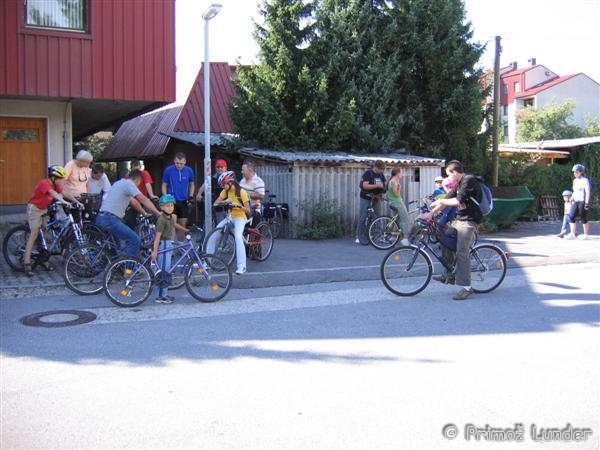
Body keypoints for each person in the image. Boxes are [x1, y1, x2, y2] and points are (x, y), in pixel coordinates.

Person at [426, 160, 483, 301]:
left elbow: (457, 201)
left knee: (462, 251)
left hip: (469, 221)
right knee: (443, 238)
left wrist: (441, 201)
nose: (448, 178)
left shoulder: (468, 180)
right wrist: (431, 214)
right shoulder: (459, 183)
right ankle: (449, 274)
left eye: (449, 174)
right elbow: (447, 199)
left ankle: (467, 288)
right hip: (459, 220)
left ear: (455, 172)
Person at [96, 169, 161, 258]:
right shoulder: (129, 184)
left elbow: (134, 202)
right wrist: (157, 213)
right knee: (134, 239)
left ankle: (114, 265)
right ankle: (129, 266)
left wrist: (144, 213)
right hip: (110, 219)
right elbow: (143, 199)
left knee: (116, 248)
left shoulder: (119, 183)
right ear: (138, 180)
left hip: (101, 217)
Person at [22, 166, 73, 277]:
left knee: (45, 235)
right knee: (34, 234)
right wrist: (64, 202)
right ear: (53, 178)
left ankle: (43, 259)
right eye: (60, 178)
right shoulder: (44, 183)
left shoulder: (55, 185)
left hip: (44, 210)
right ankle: (27, 262)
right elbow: (53, 193)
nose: (61, 181)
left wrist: (77, 201)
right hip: (35, 209)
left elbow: (64, 192)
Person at [206, 171, 251, 275]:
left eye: (224, 184)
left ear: (230, 182)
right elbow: (216, 203)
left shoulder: (242, 192)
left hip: (240, 217)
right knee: (214, 234)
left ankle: (242, 266)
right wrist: (225, 201)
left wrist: (238, 206)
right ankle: (207, 261)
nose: (223, 187)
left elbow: (248, 210)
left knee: (238, 237)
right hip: (230, 217)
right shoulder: (225, 192)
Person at [151, 194, 188, 304]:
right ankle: (160, 296)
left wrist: (185, 230)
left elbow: (174, 225)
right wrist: (155, 251)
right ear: (161, 207)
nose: (170, 208)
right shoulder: (161, 220)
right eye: (167, 206)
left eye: (171, 205)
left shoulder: (170, 217)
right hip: (163, 245)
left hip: (169, 244)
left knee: (166, 270)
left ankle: (164, 294)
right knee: (163, 272)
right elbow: (157, 237)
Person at [161, 152, 195, 240]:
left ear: (185, 162)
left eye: (181, 163)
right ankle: (171, 245)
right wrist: (165, 197)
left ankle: (180, 245)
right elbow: (164, 185)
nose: (179, 165)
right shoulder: (168, 170)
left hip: (183, 201)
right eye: (177, 163)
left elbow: (192, 184)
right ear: (174, 161)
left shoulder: (189, 170)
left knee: (182, 225)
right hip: (172, 201)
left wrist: (191, 196)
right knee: (172, 223)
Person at [355, 160, 387, 244]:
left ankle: (374, 235)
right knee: (363, 216)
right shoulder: (368, 173)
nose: (382, 171)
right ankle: (359, 236)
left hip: (376, 198)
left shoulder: (381, 174)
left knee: (376, 216)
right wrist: (377, 185)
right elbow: (365, 185)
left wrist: (381, 193)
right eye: (381, 169)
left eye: (383, 170)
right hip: (366, 197)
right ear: (376, 167)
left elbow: (384, 185)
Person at [196, 158, 228, 224]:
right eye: (218, 167)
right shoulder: (214, 177)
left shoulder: (229, 176)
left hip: (228, 205)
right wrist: (199, 194)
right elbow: (205, 184)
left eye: (221, 167)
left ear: (225, 168)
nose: (219, 169)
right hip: (217, 205)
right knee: (218, 224)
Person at [564, 163, 592, 240]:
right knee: (571, 216)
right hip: (575, 201)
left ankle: (586, 235)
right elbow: (575, 191)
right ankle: (572, 234)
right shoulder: (575, 181)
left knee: (583, 218)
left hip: (583, 201)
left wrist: (586, 203)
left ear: (581, 172)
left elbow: (587, 191)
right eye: (574, 172)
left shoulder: (585, 180)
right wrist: (571, 198)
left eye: (576, 172)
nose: (575, 173)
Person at [385, 167, 410, 246]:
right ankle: (405, 239)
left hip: (394, 202)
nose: (402, 174)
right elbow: (396, 194)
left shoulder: (393, 181)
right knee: (405, 219)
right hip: (397, 203)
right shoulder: (393, 181)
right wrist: (399, 188)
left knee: (397, 220)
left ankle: (393, 236)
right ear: (397, 173)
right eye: (401, 172)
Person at [239, 160, 265, 226]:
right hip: (243, 209)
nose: (241, 172)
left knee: (251, 231)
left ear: (250, 170)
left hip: (253, 210)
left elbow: (261, 196)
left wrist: (248, 195)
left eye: (243, 170)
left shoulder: (258, 181)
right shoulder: (242, 180)